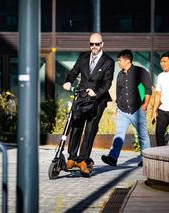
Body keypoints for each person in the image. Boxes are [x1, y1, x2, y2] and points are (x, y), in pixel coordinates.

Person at [62, 33, 114, 175]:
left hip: (98, 100)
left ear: (102, 44)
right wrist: (68, 81)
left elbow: (107, 82)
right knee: (76, 125)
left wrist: (96, 92)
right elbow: (73, 72)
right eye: (92, 44)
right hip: (82, 97)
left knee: (90, 129)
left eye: (97, 44)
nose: (94, 47)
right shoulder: (83, 57)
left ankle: (82, 159)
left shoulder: (108, 61)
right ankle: (72, 158)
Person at [101, 50, 152, 167]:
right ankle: (113, 158)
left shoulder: (140, 71)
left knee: (143, 135)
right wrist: (117, 108)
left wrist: (145, 105)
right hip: (122, 111)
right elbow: (119, 93)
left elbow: (148, 89)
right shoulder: (119, 74)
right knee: (119, 134)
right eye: (118, 60)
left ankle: (147, 159)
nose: (118, 62)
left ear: (128, 60)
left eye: (120, 60)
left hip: (137, 110)